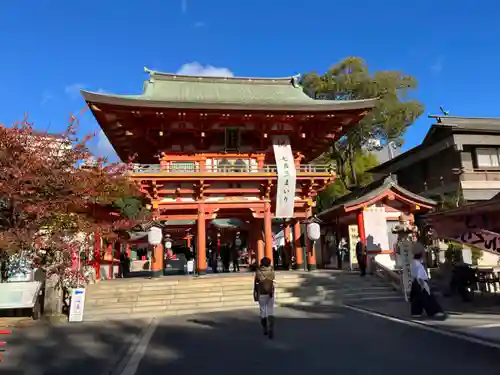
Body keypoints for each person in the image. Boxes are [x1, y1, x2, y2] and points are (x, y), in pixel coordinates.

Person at [410, 252, 445, 319]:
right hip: (421, 282)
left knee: (416, 298)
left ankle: (416, 312)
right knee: (428, 297)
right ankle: (434, 312)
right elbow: (420, 276)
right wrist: (423, 285)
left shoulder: (413, 264)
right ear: (420, 258)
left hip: (415, 282)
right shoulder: (419, 265)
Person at [253, 257, 276, 339]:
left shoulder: (258, 271)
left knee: (263, 310)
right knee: (271, 310)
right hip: (270, 292)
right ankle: (271, 327)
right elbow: (273, 278)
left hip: (261, 292)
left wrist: (255, 293)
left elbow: (256, 282)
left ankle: (265, 328)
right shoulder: (271, 271)